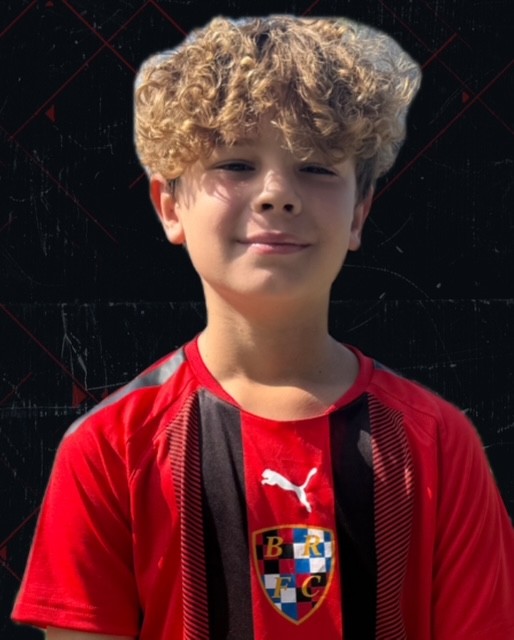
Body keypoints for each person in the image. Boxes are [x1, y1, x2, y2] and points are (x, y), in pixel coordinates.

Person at [12, 15, 514, 640]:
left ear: (359, 214)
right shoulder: (107, 449)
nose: (277, 193)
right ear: (169, 206)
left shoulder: (440, 443)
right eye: (235, 163)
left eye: (317, 168)